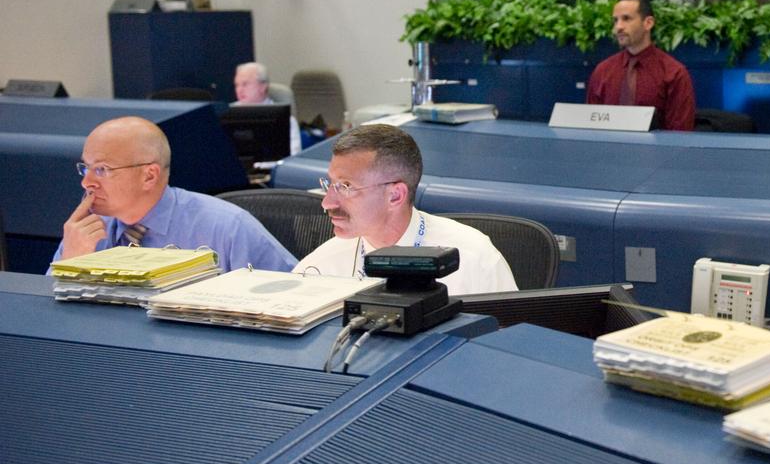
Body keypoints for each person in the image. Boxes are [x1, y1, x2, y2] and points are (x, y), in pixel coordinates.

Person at [294, 124, 518, 295]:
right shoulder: (320, 268)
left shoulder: (474, 259)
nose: (327, 203)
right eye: (330, 184)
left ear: (395, 196)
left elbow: (510, 346)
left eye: (345, 187)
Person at [52, 116, 296, 271]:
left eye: (102, 169)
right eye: (86, 167)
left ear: (149, 175)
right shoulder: (86, 231)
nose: (87, 182)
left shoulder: (226, 228)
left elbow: (298, 294)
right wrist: (70, 264)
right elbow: (51, 320)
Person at [587, 0, 696, 132]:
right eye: (615, 20)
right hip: (609, 151)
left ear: (648, 23)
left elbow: (680, 135)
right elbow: (590, 128)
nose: (618, 27)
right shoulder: (603, 71)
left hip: (657, 152)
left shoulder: (673, 73)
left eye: (626, 19)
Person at [233, 61, 302, 155]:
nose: (239, 90)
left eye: (245, 84)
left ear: (263, 87)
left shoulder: (286, 120)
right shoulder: (226, 114)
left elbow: (293, 158)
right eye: (237, 85)